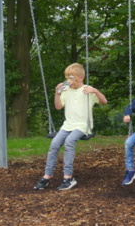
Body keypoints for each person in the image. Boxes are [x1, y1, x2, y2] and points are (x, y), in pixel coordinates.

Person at [33, 63, 107, 191]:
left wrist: (95, 91)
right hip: (68, 125)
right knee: (54, 144)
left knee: (69, 142)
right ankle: (47, 175)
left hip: (82, 126)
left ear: (80, 78)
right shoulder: (66, 91)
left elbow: (104, 101)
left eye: (71, 77)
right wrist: (57, 94)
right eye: (67, 77)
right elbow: (58, 107)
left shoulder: (87, 90)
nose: (68, 80)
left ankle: (68, 177)